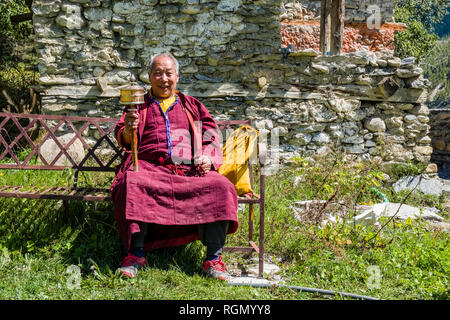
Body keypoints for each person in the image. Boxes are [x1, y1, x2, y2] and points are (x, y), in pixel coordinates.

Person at [110, 52, 239, 281]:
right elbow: (124, 138)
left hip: (187, 171)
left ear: (177, 77)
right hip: (149, 168)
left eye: (168, 73)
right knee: (132, 182)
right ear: (149, 77)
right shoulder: (138, 106)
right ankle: (135, 255)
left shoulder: (191, 105)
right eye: (158, 73)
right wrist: (129, 130)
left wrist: (208, 158)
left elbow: (211, 135)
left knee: (221, 187)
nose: (164, 78)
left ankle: (214, 260)